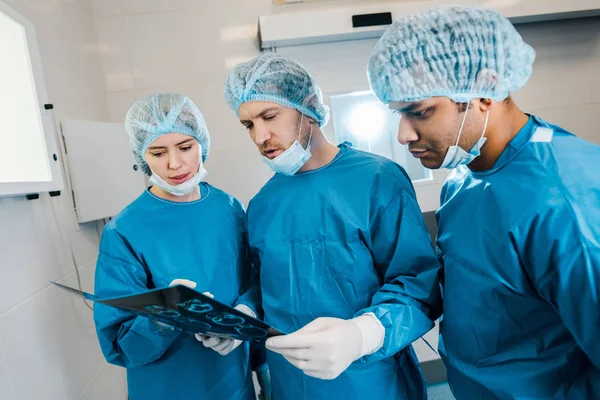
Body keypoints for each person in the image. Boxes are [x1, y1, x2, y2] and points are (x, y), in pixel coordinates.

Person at [367, 5, 600, 399]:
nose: (404, 134)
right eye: (398, 113)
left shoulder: (565, 202)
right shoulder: (462, 178)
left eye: (419, 111)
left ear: (484, 90)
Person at [209, 52, 442, 399]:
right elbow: (265, 285)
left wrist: (361, 334)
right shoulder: (262, 204)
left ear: (307, 107)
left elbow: (418, 283)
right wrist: (241, 314)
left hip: (370, 381)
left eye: (269, 116)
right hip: (293, 384)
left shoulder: (376, 179)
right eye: (248, 125)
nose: (260, 136)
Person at [93, 93, 269, 400]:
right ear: (141, 156)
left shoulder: (228, 209)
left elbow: (252, 282)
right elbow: (118, 345)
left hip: (233, 385)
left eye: (185, 147)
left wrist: (245, 313)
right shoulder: (125, 231)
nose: (175, 164)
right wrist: (163, 316)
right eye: (158, 152)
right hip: (166, 388)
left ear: (203, 142)